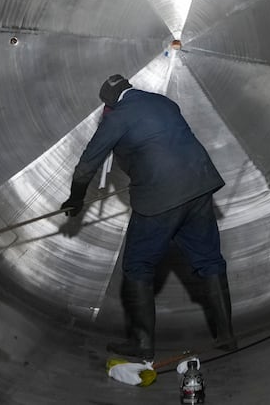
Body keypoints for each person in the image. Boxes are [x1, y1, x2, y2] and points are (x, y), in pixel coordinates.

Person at [62, 73, 236, 361]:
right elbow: (163, 145)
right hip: (199, 187)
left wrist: (76, 198)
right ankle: (227, 335)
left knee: (138, 265)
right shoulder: (163, 102)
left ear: (108, 103)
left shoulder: (116, 118)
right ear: (129, 88)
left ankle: (143, 344)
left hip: (160, 199)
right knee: (209, 260)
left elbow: (86, 167)